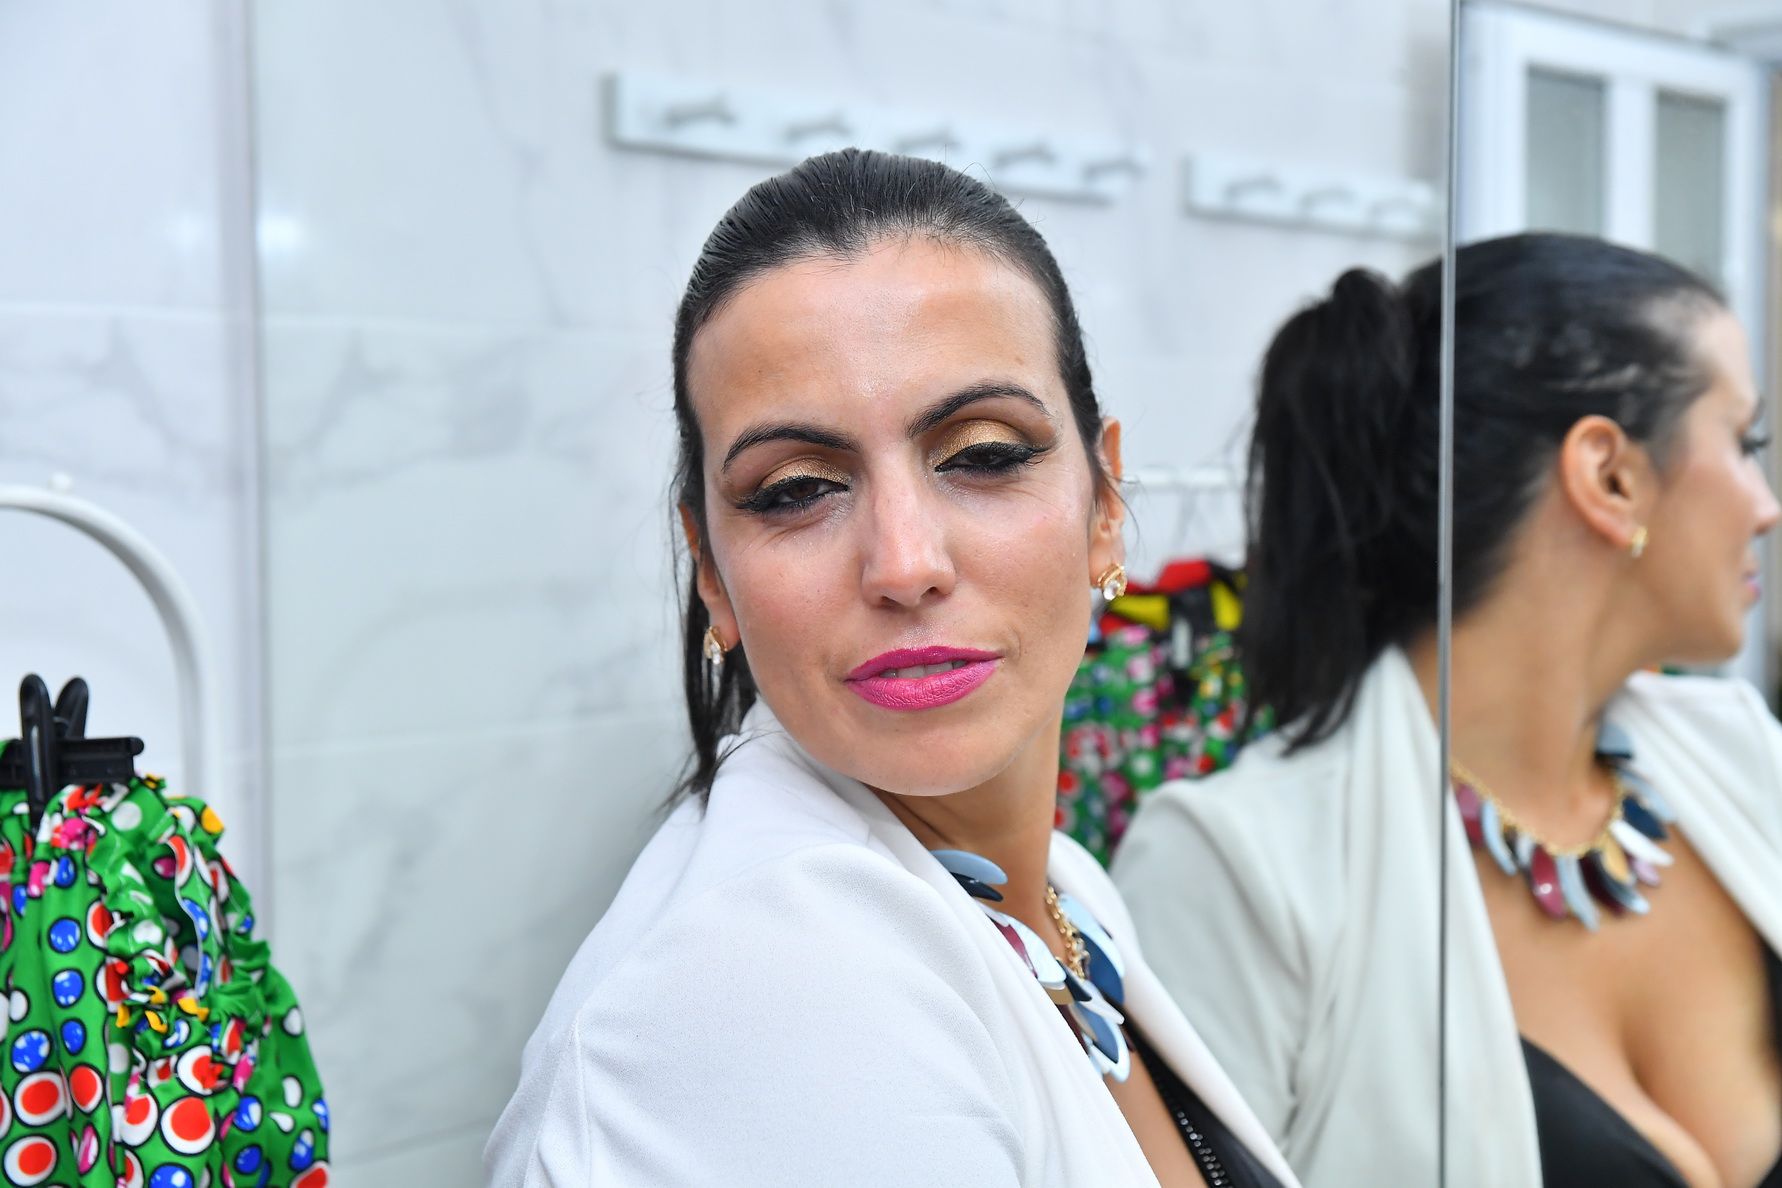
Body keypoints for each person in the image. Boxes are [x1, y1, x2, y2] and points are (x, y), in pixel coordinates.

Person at [484, 149, 1300, 1188]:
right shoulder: (766, 987)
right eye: (796, 489)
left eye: (984, 454)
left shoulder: (1058, 888)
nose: (905, 564)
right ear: (714, 577)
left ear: (1104, 506)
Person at [1114, 232, 1782, 1188]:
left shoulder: (1745, 758)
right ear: (1610, 476)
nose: (1766, 505)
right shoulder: (1240, 870)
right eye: (1745, 442)